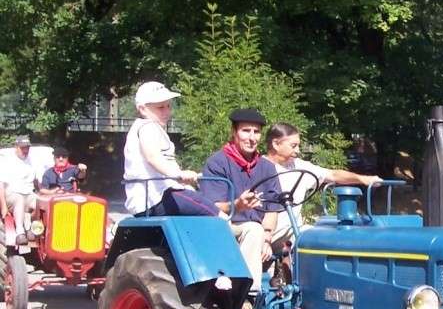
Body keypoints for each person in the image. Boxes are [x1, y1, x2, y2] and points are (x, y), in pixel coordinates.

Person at [199, 108, 282, 293]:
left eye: (256, 132)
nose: (252, 137)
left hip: (258, 229)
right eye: (246, 131)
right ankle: (246, 294)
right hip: (224, 225)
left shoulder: (267, 167)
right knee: (253, 229)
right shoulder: (218, 163)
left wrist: (268, 239)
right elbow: (211, 207)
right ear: (234, 132)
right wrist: (237, 205)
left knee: (299, 236)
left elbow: (272, 209)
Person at [264, 122, 383, 244]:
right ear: (276, 144)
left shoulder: (299, 165)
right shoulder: (259, 167)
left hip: (293, 232)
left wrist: (364, 180)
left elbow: (332, 174)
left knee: (325, 239)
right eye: (293, 146)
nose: (298, 151)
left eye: (298, 146)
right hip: (266, 234)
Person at [123, 81, 220, 217]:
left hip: (153, 198)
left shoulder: (149, 127)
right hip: (156, 198)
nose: (167, 111)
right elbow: (153, 158)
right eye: (160, 107)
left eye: (168, 106)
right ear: (142, 109)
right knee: (217, 214)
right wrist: (179, 174)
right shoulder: (147, 127)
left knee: (199, 200)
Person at [0, 134, 38, 243]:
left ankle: (32, 227)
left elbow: (36, 181)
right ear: (16, 147)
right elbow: (1, 185)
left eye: (27, 148)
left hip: (28, 193)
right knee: (19, 199)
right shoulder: (7, 161)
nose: (25, 150)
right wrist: (3, 207)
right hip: (12, 193)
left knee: (41, 203)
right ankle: (20, 232)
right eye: (23, 148)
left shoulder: (32, 160)